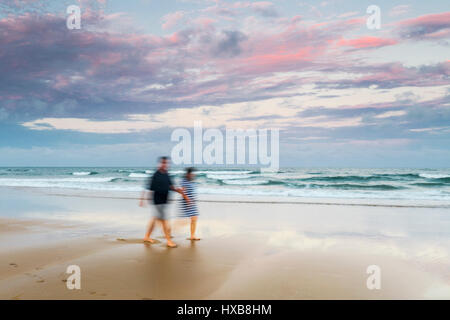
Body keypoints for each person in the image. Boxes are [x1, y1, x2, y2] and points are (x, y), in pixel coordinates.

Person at [139, 156, 190, 248]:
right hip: (157, 202)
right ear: (160, 163)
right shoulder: (156, 175)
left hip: (164, 201)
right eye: (163, 163)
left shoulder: (167, 174)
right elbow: (147, 188)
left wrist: (179, 191)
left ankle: (146, 237)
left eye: (166, 163)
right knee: (165, 221)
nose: (165, 164)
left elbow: (171, 187)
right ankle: (169, 241)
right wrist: (142, 200)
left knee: (155, 220)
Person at [179, 167, 200, 241]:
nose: (193, 175)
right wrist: (187, 199)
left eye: (193, 173)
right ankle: (171, 229)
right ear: (188, 174)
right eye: (192, 173)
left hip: (191, 202)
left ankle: (192, 236)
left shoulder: (191, 181)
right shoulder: (184, 181)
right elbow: (182, 191)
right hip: (186, 202)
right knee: (186, 220)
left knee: (194, 218)